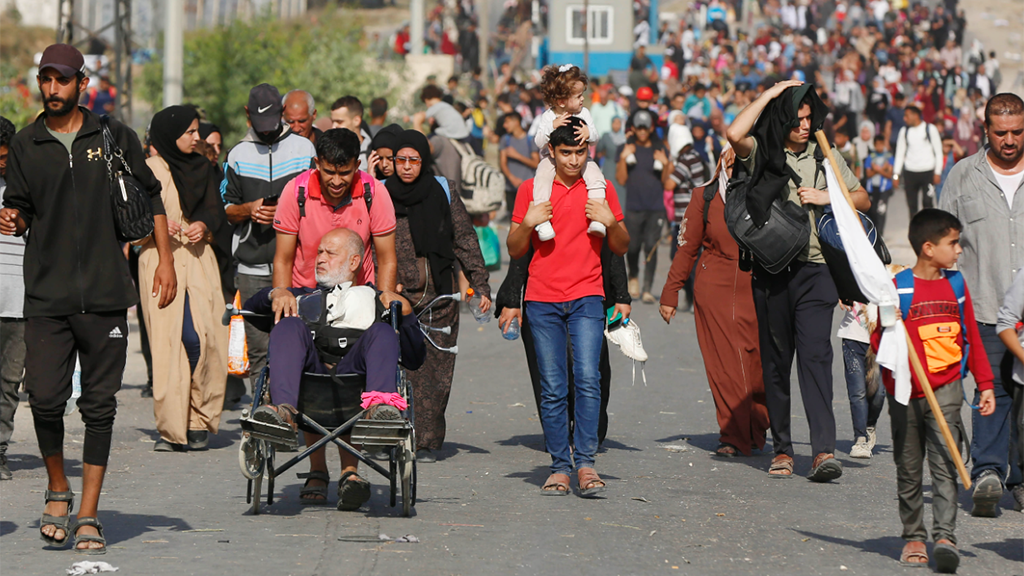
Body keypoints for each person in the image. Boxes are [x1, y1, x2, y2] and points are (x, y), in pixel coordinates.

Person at [1, 43, 177, 553]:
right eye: (45, 78)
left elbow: (150, 193)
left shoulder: (114, 134)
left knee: (99, 406)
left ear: (82, 83)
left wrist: (164, 260)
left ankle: (89, 514)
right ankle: (58, 488)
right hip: (46, 296)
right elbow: (20, 206)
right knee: (45, 399)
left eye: (62, 79)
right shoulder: (27, 144)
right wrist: (14, 218)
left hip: (105, 293)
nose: (52, 88)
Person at [726, 80, 869, 481]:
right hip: (771, 271)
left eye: (809, 118)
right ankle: (783, 449)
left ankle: (823, 450)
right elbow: (734, 133)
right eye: (796, 120)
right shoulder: (761, 151)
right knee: (776, 362)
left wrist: (828, 197)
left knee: (816, 357)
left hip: (817, 270)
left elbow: (862, 198)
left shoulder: (826, 153)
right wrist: (771, 93)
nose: (805, 126)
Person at [247, 228, 424, 511]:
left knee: (383, 331)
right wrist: (275, 292)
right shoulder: (301, 295)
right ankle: (282, 414)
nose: (320, 258)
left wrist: (406, 314)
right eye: (319, 252)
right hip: (308, 386)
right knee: (288, 324)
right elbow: (251, 309)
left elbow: (414, 359)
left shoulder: (379, 300)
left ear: (354, 262)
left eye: (330, 253)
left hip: (358, 387)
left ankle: (380, 414)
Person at [507, 116, 628, 496]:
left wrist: (611, 223)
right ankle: (560, 466)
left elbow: (621, 246)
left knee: (589, 380)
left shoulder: (601, 189)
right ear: (552, 152)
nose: (574, 160)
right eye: (566, 153)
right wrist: (528, 223)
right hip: (542, 301)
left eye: (580, 152)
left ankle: (586, 463)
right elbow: (515, 249)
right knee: (553, 386)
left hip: (588, 296)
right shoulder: (531, 190)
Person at [871, 209, 995, 572]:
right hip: (905, 393)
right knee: (909, 467)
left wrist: (985, 384)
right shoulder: (898, 288)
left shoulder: (956, 286)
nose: (958, 250)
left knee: (945, 465)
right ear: (928, 248)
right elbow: (879, 343)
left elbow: (972, 335)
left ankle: (944, 537)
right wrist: (888, 325)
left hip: (947, 389)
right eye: (952, 243)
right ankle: (913, 535)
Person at [939, 93, 1024, 517]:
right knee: (992, 389)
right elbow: (940, 240)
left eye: (1017, 132)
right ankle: (988, 472)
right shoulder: (962, 176)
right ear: (985, 130)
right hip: (984, 306)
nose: (1009, 141)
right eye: (1001, 132)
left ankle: (1020, 479)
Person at [385, 129, 490, 463]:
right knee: (397, 366)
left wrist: (480, 284)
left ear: (424, 160)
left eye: (413, 160)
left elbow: (465, 239)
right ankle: (396, 433)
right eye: (400, 160)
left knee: (436, 369)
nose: (406, 166)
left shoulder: (444, 191)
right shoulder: (381, 195)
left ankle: (427, 439)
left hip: (439, 296)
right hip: (395, 295)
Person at [660, 149, 770, 457]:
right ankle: (732, 434)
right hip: (714, 289)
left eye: (742, 161)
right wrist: (671, 292)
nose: (735, 168)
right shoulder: (704, 196)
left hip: (758, 287)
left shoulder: (767, 193)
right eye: (729, 162)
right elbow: (686, 247)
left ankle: (756, 425)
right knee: (724, 365)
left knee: (756, 363)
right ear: (720, 162)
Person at [140, 105, 231, 452]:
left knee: (207, 338)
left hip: (198, 259)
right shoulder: (149, 170)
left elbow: (214, 210)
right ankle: (172, 427)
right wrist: (159, 226)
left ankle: (198, 419)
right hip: (159, 259)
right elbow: (132, 220)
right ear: (170, 134)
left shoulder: (203, 168)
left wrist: (203, 225)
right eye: (190, 132)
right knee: (169, 342)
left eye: (197, 131)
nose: (197, 137)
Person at [223, 83, 316, 392]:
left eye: (272, 121)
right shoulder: (236, 154)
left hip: (297, 267)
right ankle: (264, 411)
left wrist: (287, 213)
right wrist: (248, 209)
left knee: (297, 344)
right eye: (259, 123)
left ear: (282, 112)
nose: (266, 130)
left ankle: (290, 408)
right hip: (251, 268)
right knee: (260, 351)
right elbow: (226, 209)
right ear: (247, 114)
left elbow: (317, 203)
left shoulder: (305, 150)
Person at [530, 64, 605, 241]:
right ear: (562, 101)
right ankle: (543, 221)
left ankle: (597, 217)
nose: (582, 99)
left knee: (597, 178)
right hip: (551, 159)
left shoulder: (584, 113)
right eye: (578, 96)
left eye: (582, 94)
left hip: (583, 158)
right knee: (541, 179)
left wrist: (588, 133)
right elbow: (539, 142)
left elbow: (595, 138)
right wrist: (552, 126)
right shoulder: (549, 116)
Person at [617, 108, 670, 304]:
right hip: (633, 206)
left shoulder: (659, 149)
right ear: (633, 128)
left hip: (655, 207)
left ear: (651, 128)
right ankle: (633, 277)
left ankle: (647, 288)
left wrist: (666, 164)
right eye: (638, 127)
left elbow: (666, 182)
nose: (641, 131)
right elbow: (621, 179)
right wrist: (623, 158)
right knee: (632, 247)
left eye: (645, 127)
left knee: (651, 247)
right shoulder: (626, 148)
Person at [0, 115, 22, 480]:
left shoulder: (28, 185)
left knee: (8, 383)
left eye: (5, 156)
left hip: (20, 300)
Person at [837, 301, 886, 459]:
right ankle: (860, 439)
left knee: (879, 393)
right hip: (853, 337)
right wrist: (839, 293)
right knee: (858, 392)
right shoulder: (855, 281)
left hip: (884, 340)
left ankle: (869, 424)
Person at [894, 106, 944, 216]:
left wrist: (937, 172)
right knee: (912, 205)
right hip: (910, 172)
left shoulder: (930, 129)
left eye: (907, 116)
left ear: (915, 115)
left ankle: (929, 226)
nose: (904, 119)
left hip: (928, 172)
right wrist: (896, 174)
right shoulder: (904, 131)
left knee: (928, 203)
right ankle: (914, 226)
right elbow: (899, 154)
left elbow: (938, 152)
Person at [498, 112, 539, 217]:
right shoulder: (505, 140)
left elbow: (536, 163)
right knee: (513, 218)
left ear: (516, 122)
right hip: (510, 188)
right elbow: (502, 163)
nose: (504, 126)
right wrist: (512, 178)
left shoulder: (530, 140)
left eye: (507, 122)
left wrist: (517, 156)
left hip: (528, 188)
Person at [330, 96, 372, 171]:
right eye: (332, 122)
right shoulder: (328, 149)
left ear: (356, 121)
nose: (333, 127)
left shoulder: (372, 152)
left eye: (339, 122)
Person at [864, 134, 895, 236]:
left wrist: (878, 169)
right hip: (873, 188)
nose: (879, 146)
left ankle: (880, 233)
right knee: (873, 210)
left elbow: (889, 174)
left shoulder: (889, 157)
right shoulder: (871, 157)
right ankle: (874, 231)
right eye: (877, 144)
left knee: (881, 211)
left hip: (884, 188)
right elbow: (868, 174)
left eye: (881, 144)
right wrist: (881, 169)